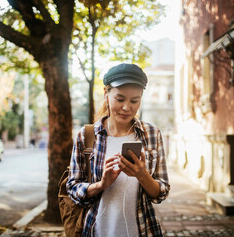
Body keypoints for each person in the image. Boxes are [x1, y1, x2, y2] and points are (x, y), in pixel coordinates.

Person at [67, 63, 170, 237]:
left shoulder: (152, 134)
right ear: (106, 94)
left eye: (134, 100)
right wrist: (101, 185)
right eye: (120, 99)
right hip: (97, 231)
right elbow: (73, 188)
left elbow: (161, 192)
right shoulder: (87, 135)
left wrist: (142, 175)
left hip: (143, 231)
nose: (126, 107)